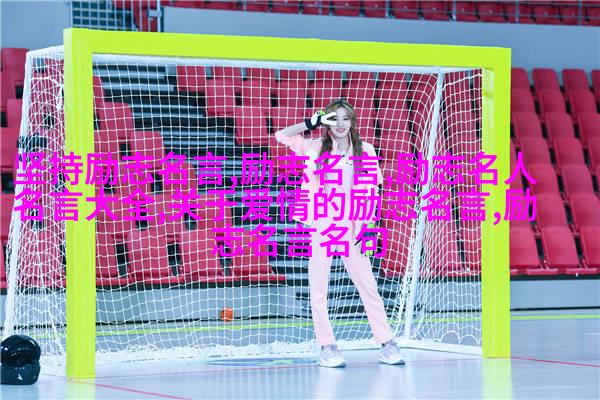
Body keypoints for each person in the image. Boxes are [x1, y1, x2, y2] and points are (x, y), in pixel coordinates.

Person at [274, 99, 405, 368]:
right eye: (335, 119)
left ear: (353, 122)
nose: (341, 124)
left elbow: (372, 191)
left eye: (346, 118)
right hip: (323, 224)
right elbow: (282, 136)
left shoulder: (365, 150)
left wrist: (368, 226)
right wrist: (312, 122)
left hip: (354, 226)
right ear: (327, 122)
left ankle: (387, 343)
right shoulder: (315, 147)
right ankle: (327, 346)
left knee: (368, 286)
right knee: (318, 289)